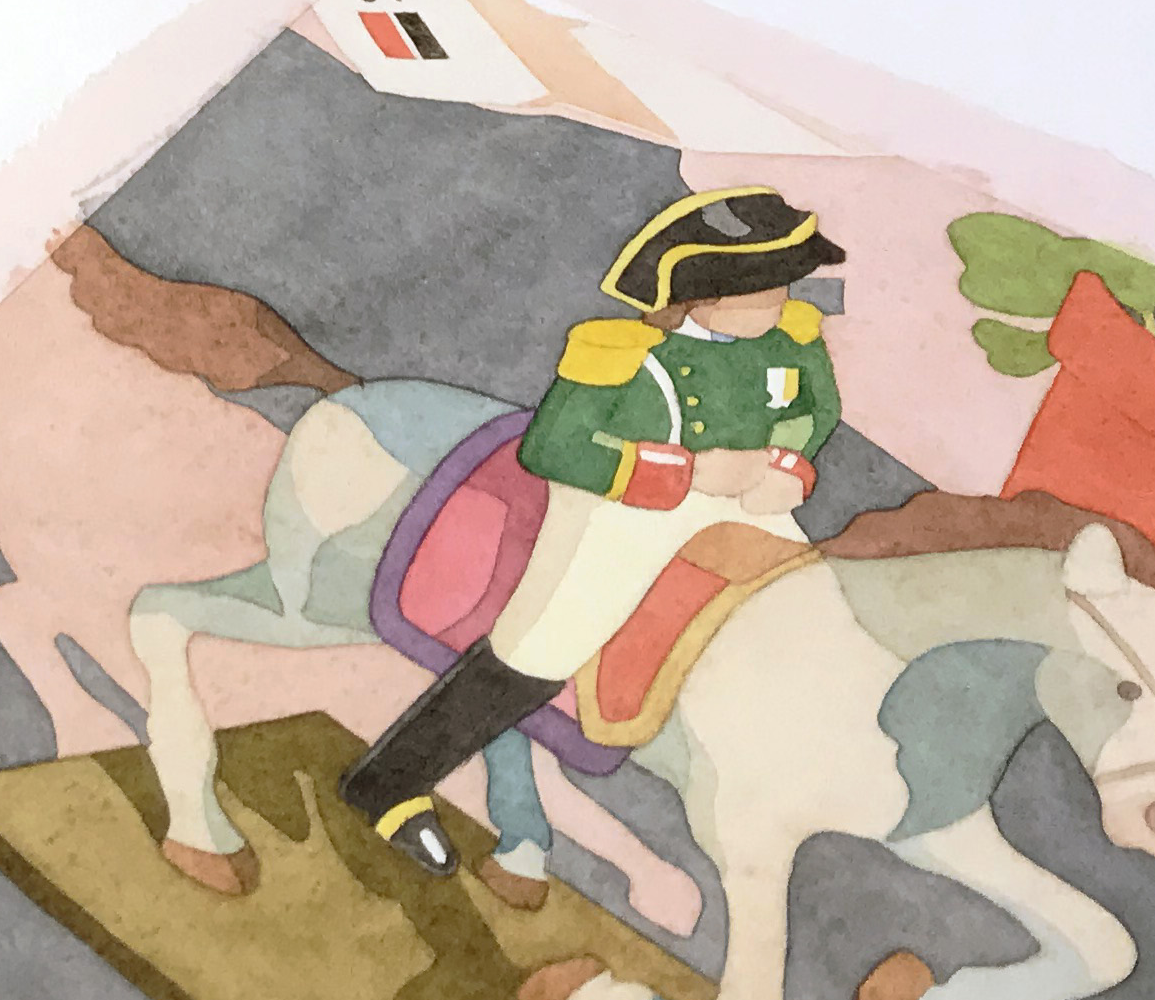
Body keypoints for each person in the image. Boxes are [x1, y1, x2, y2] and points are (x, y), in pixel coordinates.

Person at [339, 188, 843, 875]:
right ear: (704, 296)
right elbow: (554, 447)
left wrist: (788, 466)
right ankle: (389, 784)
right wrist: (689, 472)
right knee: (547, 644)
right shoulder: (621, 358)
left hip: (749, 497)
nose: (780, 301)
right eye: (764, 290)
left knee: (814, 606)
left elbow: (813, 412)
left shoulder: (792, 341)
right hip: (625, 500)